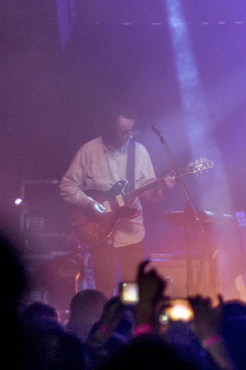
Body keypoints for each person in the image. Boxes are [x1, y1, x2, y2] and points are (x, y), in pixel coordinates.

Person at [60, 106, 174, 293]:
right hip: (99, 232)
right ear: (109, 128)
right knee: (103, 286)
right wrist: (89, 203)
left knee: (133, 288)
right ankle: (106, 321)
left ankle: (130, 320)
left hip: (131, 232)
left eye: (131, 131)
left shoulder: (139, 152)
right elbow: (67, 186)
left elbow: (150, 193)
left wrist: (163, 189)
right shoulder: (88, 151)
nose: (129, 136)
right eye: (123, 132)